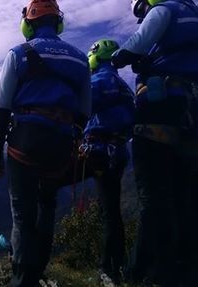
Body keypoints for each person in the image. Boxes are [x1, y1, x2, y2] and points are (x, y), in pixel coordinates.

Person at [0, 0, 91, 287]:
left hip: (25, 143)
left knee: (23, 215)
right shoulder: (81, 59)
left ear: (28, 24)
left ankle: (22, 280)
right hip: (61, 145)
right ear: (58, 22)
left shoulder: (18, 54)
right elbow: (84, 111)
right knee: (47, 206)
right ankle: (37, 271)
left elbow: (1, 110)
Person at [111, 0, 198, 286]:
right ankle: (185, 271)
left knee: (155, 196)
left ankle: (144, 274)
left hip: (161, 110)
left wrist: (118, 59)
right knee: (186, 194)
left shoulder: (163, 10)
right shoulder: (193, 11)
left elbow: (135, 45)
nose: (143, 13)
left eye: (142, 8)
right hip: (193, 114)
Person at [82, 39, 135, 284]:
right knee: (112, 211)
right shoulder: (125, 86)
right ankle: (116, 266)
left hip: (96, 150)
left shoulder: (98, 81)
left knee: (45, 187)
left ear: (95, 56)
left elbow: (81, 108)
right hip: (119, 152)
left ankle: (108, 270)